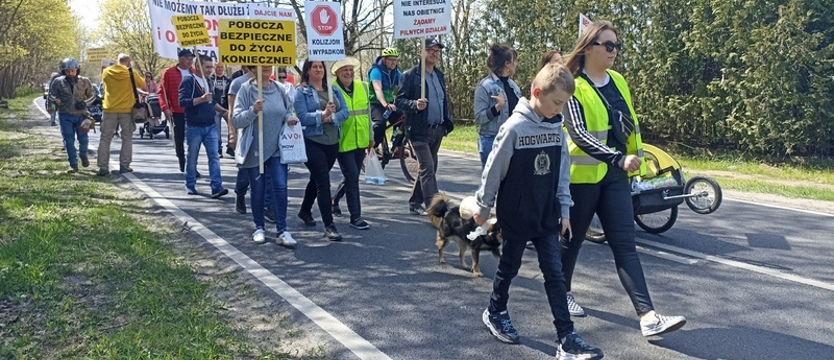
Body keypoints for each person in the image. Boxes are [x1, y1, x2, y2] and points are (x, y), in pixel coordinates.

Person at [560, 21, 687, 337]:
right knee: (571, 242)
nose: (614, 51)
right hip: (583, 178)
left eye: (616, 45)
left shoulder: (618, 80)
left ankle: (648, 316)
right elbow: (579, 134)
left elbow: (629, 125)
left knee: (625, 245)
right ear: (590, 47)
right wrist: (617, 157)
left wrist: (637, 164)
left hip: (617, 177)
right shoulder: (573, 84)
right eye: (609, 45)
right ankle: (561, 294)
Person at [474, 62, 603, 360]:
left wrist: (565, 211)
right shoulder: (514, 128)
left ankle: (566, 337)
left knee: (555, 274)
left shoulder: (556, 127)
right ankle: (495, 311)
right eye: (557, 102)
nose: (561, 110)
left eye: (564, 104)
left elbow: (562, 172)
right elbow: (493, 171)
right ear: (536, 92)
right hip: (517, 214)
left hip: (547, 215)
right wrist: (483, 206)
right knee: (509, 266)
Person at [232, 65, 298, 246]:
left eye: (269, 64)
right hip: (255, 149)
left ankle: (282, 230)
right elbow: (236, 120)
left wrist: (289, 119)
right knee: (258, 190)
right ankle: (259, 227)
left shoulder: (280, 89)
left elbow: (287, 111)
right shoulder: (246, 89)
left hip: (277, 149)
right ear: (254, 68)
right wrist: (253, 111)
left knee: (280, 187)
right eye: (263, 64)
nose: (267, 67)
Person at [395, 38, 454, 215]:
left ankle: (415, 201)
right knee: (428, 167)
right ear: (421, 52)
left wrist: (446, 122)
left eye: (437, 51)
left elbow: (442, 101)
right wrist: (414, 104)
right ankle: (435, 208)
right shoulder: (410, 75)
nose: (434, 54)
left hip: (438, 129)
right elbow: (399, 101)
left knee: (429, 167)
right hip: (419, 130)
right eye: (430, 50)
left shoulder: (439, 75)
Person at [294, 59, 349, 241]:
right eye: (314, 67)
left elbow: (345, 112)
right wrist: (322, 115)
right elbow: (302, 116)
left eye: (321, 67)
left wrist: (332, 118)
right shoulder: (301, 92)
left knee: (317, 178)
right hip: (312, 141)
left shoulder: (333, 90)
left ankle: (304, 210)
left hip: (332, 141)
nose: (318, 69)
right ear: (307, 71)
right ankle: (329, 225)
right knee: (323, 182)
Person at [329, 57, 373, 230]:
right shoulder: (332, 89)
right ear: (337, 74)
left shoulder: (362, 86)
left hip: (361, 139)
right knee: (353, 176)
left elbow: (367, 113)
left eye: (350, 70)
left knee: (351, 176)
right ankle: (356, 216)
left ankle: (335, 199)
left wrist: (371, 136)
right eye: (344, 70)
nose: (348, 73)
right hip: (343, 141)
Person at [178, 54, 228, 198]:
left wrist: (224, 111)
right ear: (197, 66)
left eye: (211, 67)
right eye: (207, 67)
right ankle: (190, 184)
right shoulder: (188, 81)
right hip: (194, 126)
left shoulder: (209, 81)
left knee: (214, 157)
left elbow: (213, 102)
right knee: (192, 158)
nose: (210, 70)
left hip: (210, 125)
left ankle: (217, 187)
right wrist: (200, 99)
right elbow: (182, 102)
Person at [473, 44, 521, 168]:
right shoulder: (484, 86)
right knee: (492, 184)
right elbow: (479, 118)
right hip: (491, 140)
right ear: (507, 64)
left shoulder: (513, 86)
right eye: (514, 61)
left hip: (512, 139)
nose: (516, 64)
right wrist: (497, 108)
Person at [97, 53, 146, 175]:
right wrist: (131, 69)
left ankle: (103, 168)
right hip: (126, 110)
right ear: (128, 63)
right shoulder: (131, 73)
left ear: (116, 61)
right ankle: (124, 165)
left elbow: (104, 83)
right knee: (127, 138)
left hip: (109, 109)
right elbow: (143, 85)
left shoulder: (107, 72)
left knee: (105, 138)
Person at [48, 58, 95, 172]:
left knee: (83, 138)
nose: (70, 73)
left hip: (82, 115)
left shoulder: (85, 81)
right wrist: (55, 100)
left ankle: (83, 154)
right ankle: (73, 164)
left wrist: (84, 103)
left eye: (72, 71)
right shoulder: (58, 82)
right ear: (63, 71)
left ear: (77, 70)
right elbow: (51, 95)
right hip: (65, 115)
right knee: (68, 140)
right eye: (67, 71)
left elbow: (93, 96)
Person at [158, 49, 195, 173]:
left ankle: (191, 165)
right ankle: (182, 160)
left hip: (192, 110)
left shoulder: (194, 72)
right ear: (180, 58)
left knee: (193, 139)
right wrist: (165, 108)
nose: (190, 61)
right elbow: (161, 92)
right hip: (177, 111)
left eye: (191, 58)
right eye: (187, 58)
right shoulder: (169, 73)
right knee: (179, 138)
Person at [369, 47, 404, 155]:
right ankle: (374, 146)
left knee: (403, 119)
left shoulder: (396, 73)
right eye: (390, 59)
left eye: (395, 60)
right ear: (384, 60)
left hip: (390, 104)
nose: (393, 62)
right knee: (380, 123)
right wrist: (385, 104)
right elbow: (377, 89)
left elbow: (406, 85)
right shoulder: (376, 71)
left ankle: (397, 146)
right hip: (376, 103)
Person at [210, 63, 230, 158]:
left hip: (226, 108)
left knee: (232, 128)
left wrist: (228, 109)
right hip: (215, 108)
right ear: (215, 68)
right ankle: (218, 149)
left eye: (222, 67)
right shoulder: (210, 80)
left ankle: (231, 147)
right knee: (217, 130)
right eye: (218, 67)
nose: (220, 69)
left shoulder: (228, 81)